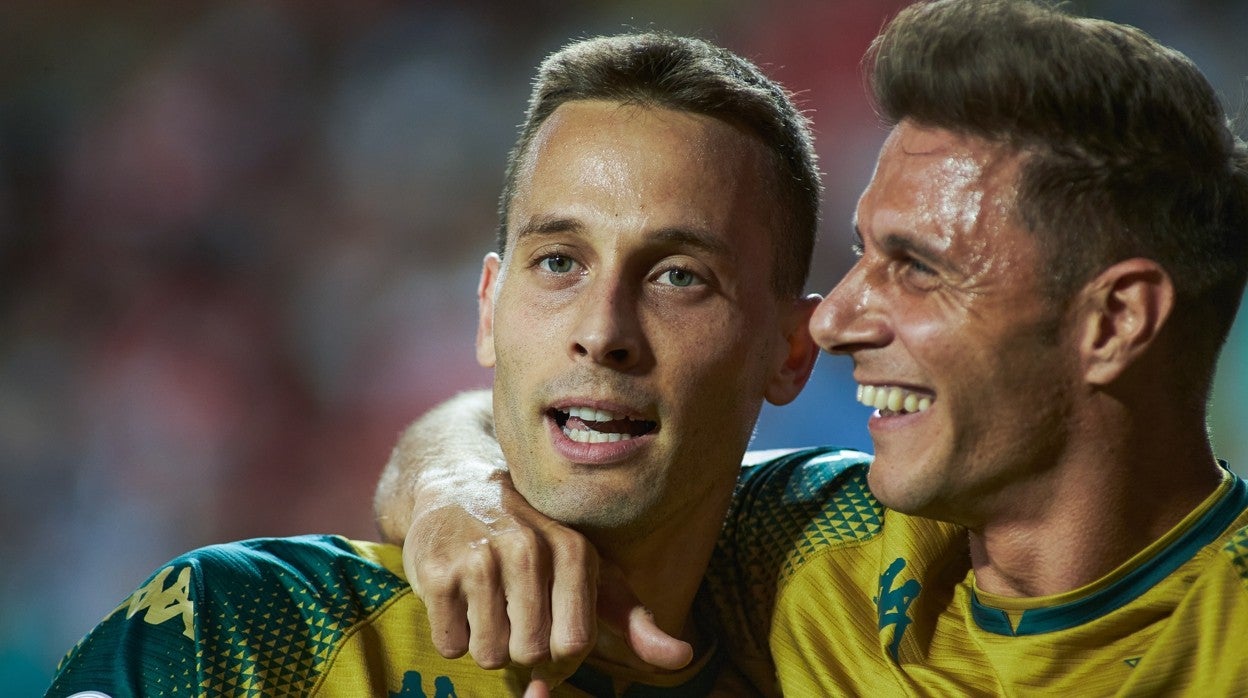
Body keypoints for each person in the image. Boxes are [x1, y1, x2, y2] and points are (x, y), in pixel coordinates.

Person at [373, 0, 1248, 694]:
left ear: (1115, 322)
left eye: (915, 267)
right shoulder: (799, 547)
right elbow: (517, 421)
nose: (835, 321)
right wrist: (458, 491)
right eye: (864, 251)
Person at [44, 32, 825, 698]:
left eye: (679, 276)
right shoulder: (244, 629)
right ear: (488, 308)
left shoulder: (863, 583)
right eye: (559, 261)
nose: (602, 331)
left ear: (790, 353)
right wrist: (450, 477)